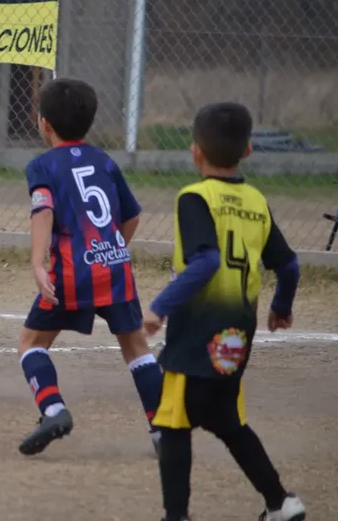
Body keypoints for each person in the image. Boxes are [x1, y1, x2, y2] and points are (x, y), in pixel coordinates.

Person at [144, 102, 305, 521]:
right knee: (226, 419)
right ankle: (281, 503)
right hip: (236, 334)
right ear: (248, 150)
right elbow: (288, 265)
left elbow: (205, 262)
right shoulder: (256, 201)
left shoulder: (195, 197)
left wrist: (159, 307)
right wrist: (281, 306)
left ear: (195, 151)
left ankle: (175, 516)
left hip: (198, 332)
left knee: (174, 422)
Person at [15, 78, 163, 457]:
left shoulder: (42, 165)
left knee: (32, 343)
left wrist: (38, 260)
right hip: (115, 268)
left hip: (71, 274)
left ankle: (53, 410)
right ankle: (164, 430)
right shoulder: (104, 160)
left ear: (43, 122)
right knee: (137, 348)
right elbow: (131, 218)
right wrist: (108, 250)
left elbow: (43, 209)